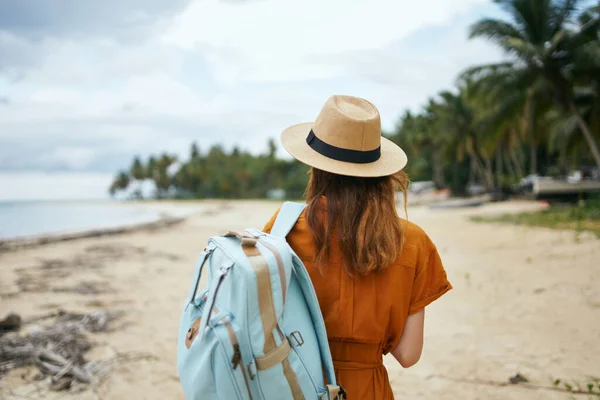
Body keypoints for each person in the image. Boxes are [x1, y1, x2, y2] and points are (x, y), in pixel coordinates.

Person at [262, 95, 452, 399]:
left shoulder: (284, 228)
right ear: (378, 173)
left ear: (316, 167)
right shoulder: (414, 242)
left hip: (298, 385)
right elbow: (408, 354)